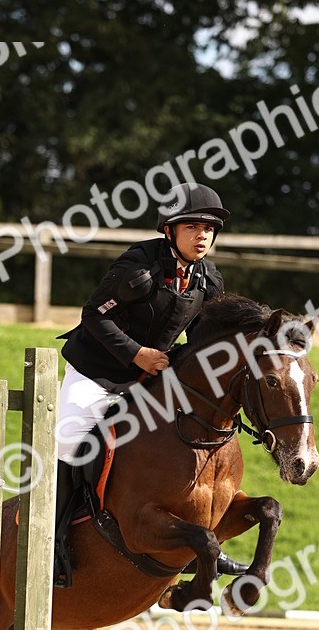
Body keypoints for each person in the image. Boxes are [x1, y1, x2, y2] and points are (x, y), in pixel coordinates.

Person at [53, 181, 246, 586]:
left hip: (149, 376)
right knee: (70, 439)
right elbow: (94, 315)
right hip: (99, 370)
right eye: (192, 227)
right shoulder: (138, 268)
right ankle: (54, 538)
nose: (202, 236)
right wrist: (136, 353)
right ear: (170, 230)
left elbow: (199, 339)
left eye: (209, 228)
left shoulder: (207, 279)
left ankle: (207, 543)